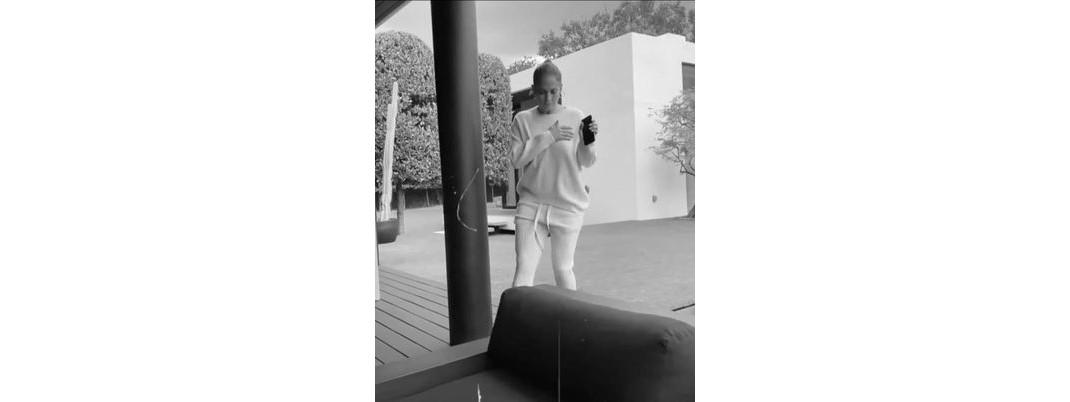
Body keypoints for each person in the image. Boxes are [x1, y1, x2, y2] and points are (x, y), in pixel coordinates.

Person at [510, 61, 598, 290]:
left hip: (567, 205)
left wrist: (587, 142)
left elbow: (586, 162)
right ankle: (518, 315)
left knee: (563, 269)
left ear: (561, 89)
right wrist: (549, 136)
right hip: (531, 204)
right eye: (541, 92)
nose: (548, 98)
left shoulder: (575, 116)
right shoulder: (522, 120)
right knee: (523, 270)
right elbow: (517, 160)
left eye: (553, 91)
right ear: (533, 90)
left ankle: (571, 315)